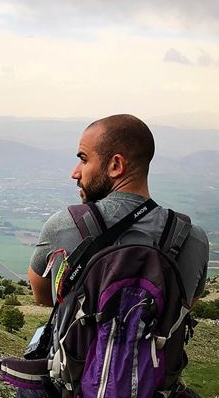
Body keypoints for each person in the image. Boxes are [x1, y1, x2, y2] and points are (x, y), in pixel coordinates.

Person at [29, 114, 209, 310]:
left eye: (84, 159)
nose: (75, 172)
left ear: (116, 166)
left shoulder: (63, 225)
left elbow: (44, 299)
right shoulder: (192, 238)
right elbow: (184, 312)